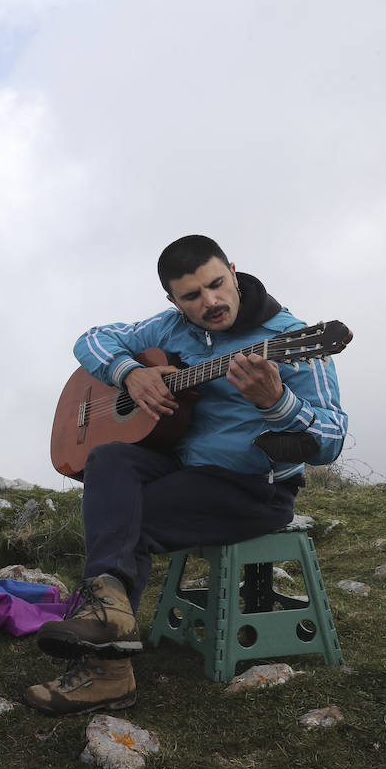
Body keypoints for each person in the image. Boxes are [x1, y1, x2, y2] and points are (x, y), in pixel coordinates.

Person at [23, 234, 347, 716]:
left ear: (233, 272)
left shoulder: (292, 338)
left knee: (126, 517)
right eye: (192, 296)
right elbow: (90, 339)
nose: (210, 302)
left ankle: (107, 668)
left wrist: (276, 404)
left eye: (217, 285)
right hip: (184, 465)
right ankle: (109, 615)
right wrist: (130, 373)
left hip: (253, 487)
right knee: (108, 459)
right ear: (173, 300)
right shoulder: (171, 328)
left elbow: (332, 438)